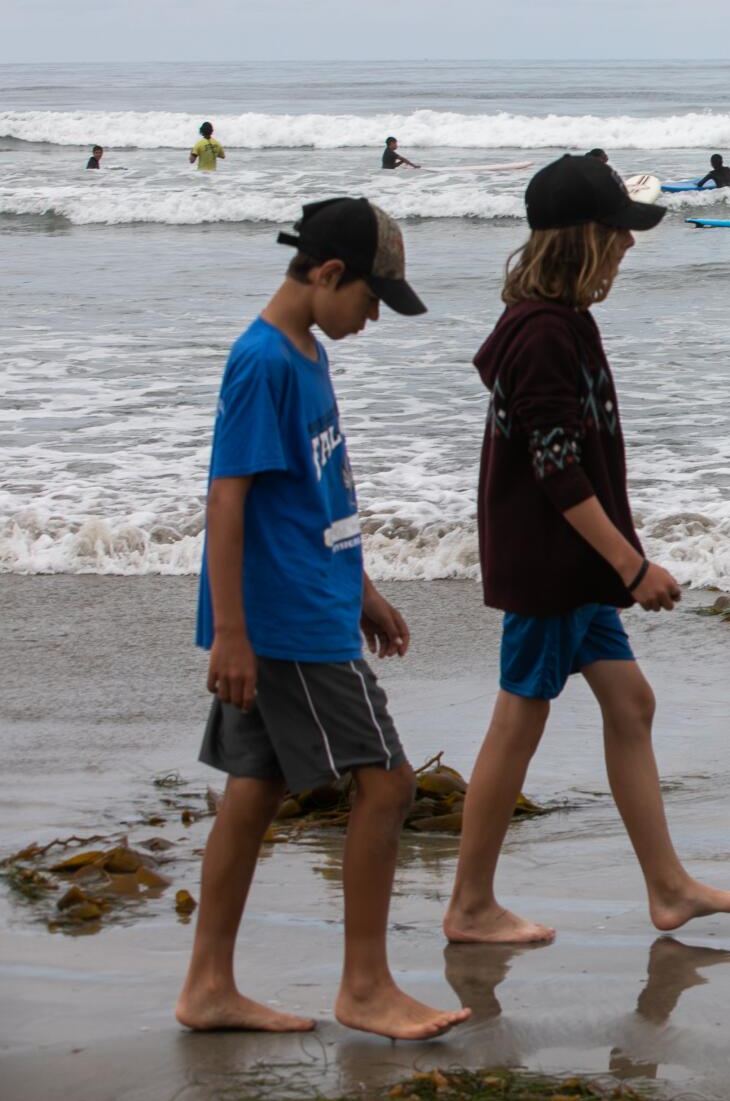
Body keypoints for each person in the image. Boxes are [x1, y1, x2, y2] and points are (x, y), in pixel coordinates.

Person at [444, 155, 730, 946]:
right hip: (553, 567)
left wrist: (616, 560)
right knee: (518, 719)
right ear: (587, 237)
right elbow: (556, 468)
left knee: (631, 703)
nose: (629, 246)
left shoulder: (564, 322)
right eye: (620, 231)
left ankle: (668, 887)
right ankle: (470, 904)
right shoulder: (544, 334)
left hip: (573, 566)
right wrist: (631, 564)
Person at [177, 196, 464, 1040]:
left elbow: (317, 494)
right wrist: (231, 631)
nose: (374, 317)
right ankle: (366, 986)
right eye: (372, 299)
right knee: (387, 782)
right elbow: (226, 500)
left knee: (254, 790)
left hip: (316, 600)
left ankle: (207, 986)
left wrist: (364, 584)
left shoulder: (306, 351)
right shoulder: (263, 361)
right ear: (328, 273)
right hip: (289, 622)